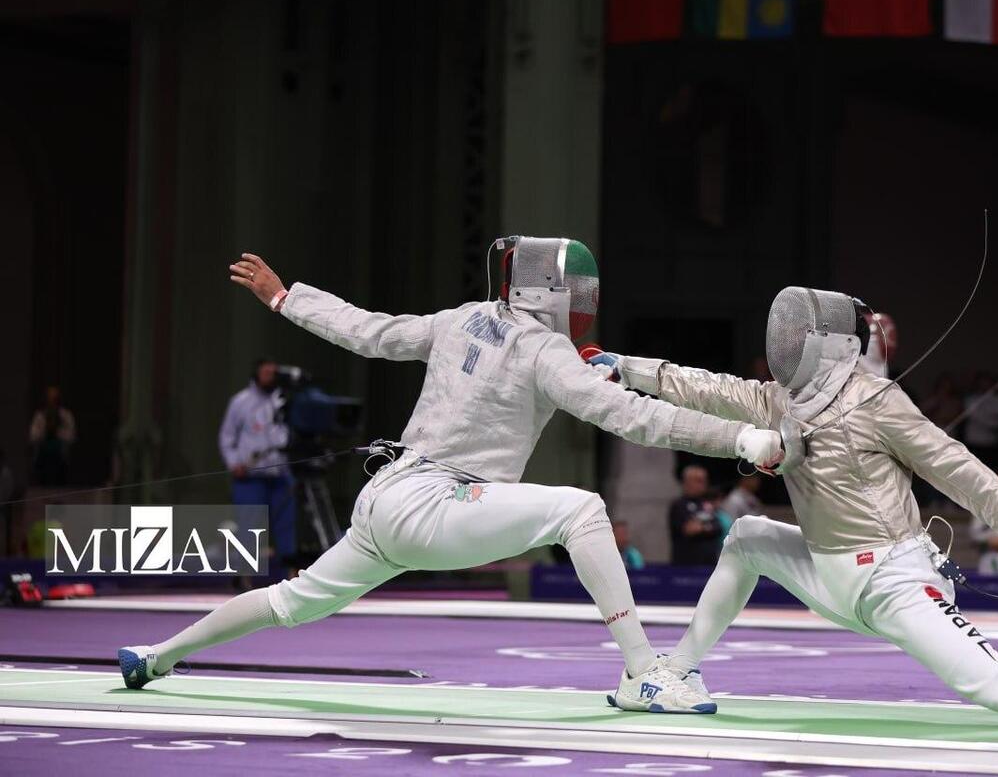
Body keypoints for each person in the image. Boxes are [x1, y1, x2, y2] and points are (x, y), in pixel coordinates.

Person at [117, 240, 783, 715]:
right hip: (437, 504)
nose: (583, 302)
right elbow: (634, 416)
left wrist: (287, 298)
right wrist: (739, 438)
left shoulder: (463, 318)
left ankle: (155, 655)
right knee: (581, 510)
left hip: (385, 499)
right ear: (548, 295)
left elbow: (369, 331)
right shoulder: (544, 348)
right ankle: (642, 673)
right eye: (577, 292)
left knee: (291, 601)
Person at [587, 285, 998, 735]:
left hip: (893, 581)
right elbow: (704, 386)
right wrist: (625, 368)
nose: (786, 344)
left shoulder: (876, 399)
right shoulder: (778, 400)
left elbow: (954, 464)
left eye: (798, 335)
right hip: (832, 574)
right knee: (747, 536)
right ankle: (678, 672)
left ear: (826, 344)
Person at [219, 358, 296, 566]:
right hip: (250, 476)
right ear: (257, 374)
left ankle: (288, 574)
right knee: (248, 527)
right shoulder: (241, 401)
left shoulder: (283, 401)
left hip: (280, 474)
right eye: (266, 373)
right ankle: (244, 574)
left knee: (285, 527)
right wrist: (233, 462)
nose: (270, 378)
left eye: (274, 374)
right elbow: (227, 436)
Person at [669, 465, 722, 566]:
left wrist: (702, 527)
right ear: (687, 482)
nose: (704, 484)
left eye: (704, 480)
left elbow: (718, 527)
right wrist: (707, 527)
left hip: (709, 564)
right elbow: (690, 529)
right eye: (698, 481)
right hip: (686, 565)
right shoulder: (679, 505)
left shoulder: (706, 504)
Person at [29, 386, 76, 486]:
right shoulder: (40, 416)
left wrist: (56, 431)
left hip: (60, 459)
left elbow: (71, 436)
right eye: (50, 399)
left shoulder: (66, 415)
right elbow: (33, 436)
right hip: (42, 460)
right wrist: (46, 430)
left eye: (54, 399)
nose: (52, 402)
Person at [962, 372, 998, 469]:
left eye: (986, 382)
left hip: (992, 443)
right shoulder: (971, 399)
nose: (984, 385)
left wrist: (988, 419)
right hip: (974, 442)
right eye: (982, 382)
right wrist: (990, 418)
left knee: (991, 470)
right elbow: (976, 417)